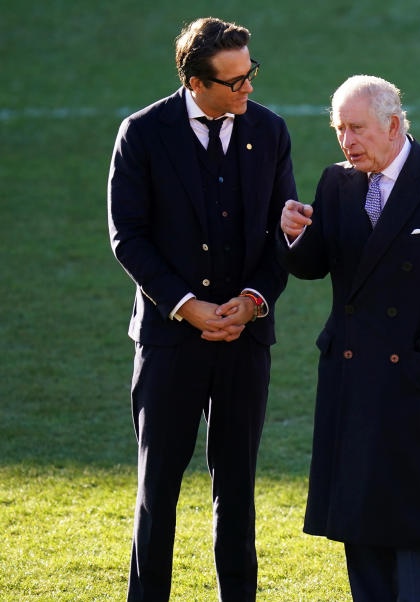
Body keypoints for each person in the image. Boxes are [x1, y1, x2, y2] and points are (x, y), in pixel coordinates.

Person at [277, 75, 420, 601]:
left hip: (415, 384)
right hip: (352, 382)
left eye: (356, 129)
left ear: (394, 125)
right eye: (339, 130)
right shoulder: (337, 183)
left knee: (416, 529)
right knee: (362, 530)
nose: (346, 141)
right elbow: (319, 264)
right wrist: (294, 236)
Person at [107, 17, 296, 601]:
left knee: (236, 488)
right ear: (195, 82)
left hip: (245, 339)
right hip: (169, 342)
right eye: (235, 82)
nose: (248, 90)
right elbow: (128, 237)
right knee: (157, 487)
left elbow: (281, 231)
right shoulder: (142, 134)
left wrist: (253, 301)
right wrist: (186, 306)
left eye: (250, 75)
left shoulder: (268, 131)